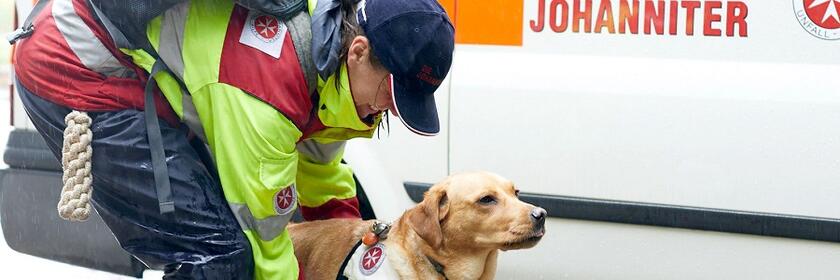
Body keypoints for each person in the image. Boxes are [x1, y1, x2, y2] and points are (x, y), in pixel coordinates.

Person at [11, 0, 454, 278]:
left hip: (135, 69)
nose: (392, 109)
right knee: (219, 255)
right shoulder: (269, 87)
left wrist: (351, 244)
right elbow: (266, 242)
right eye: (392, 92)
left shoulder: (329, 57)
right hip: (75, 66)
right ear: (357, 52)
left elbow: (319, 170)